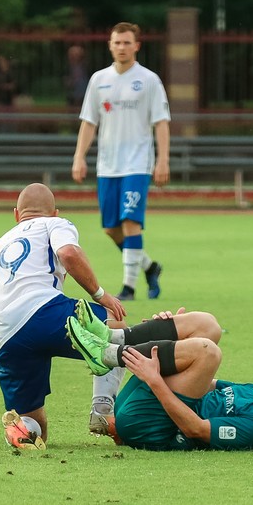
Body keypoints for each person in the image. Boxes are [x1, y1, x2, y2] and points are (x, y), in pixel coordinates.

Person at [0, 183, 127, 451]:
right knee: (115, 323)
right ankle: (102, 409)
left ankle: (21, 429)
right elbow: (69, 253)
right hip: (44, 313)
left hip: (6, 340)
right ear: (55, 212)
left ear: (16, 215)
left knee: (35, 425)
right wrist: (100, 295)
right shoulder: (54, 224)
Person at [65, 305, 253, 452]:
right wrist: (173, 340)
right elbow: (205, 383)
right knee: (207, 327)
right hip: (152, 404)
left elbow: (197, 430)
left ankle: (107, 356)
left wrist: (156, 380)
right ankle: (114, 338)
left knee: (209, 353)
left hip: (150, 424)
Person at [72, 22, 170, 302]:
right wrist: (79, 157)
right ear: (110, 45)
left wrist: (162, 160)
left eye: (127, 43)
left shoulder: (149, 80)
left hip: (137, 164)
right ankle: (150, 267)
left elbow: (161, 123)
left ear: (137, 45)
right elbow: (89, 122)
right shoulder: (99, 80)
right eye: (117, 42)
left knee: (130, 222)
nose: (122, 47)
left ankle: (128, 287)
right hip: (108, 165)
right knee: (110, 228)